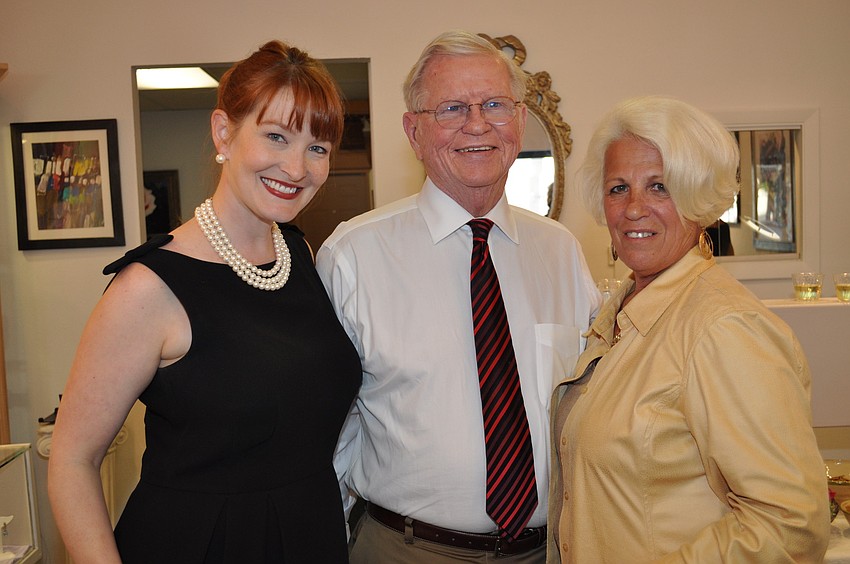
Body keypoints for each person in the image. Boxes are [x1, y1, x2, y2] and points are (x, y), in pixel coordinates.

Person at [48, 40, 362, 564]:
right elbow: (72, 461)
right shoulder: (148, 286)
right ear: (224, 132)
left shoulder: (299, 253)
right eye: (276, 136)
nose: (297, 166)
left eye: (318, 148)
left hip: (311, 534)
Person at [316, 30, 599, 563]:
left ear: (518, 121)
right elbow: (324, 432)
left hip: (548, 550)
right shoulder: (353, 256)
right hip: (407, 549)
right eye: (451, 108)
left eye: (495, 104)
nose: (477, 124)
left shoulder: (561, 253)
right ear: (413, 131)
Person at [548, 95, 829, 562]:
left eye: (660, 186)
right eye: (618, 187)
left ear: (700, 198)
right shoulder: (620, 312)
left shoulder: (725, 328)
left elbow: (789, 524)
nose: (634, 208)